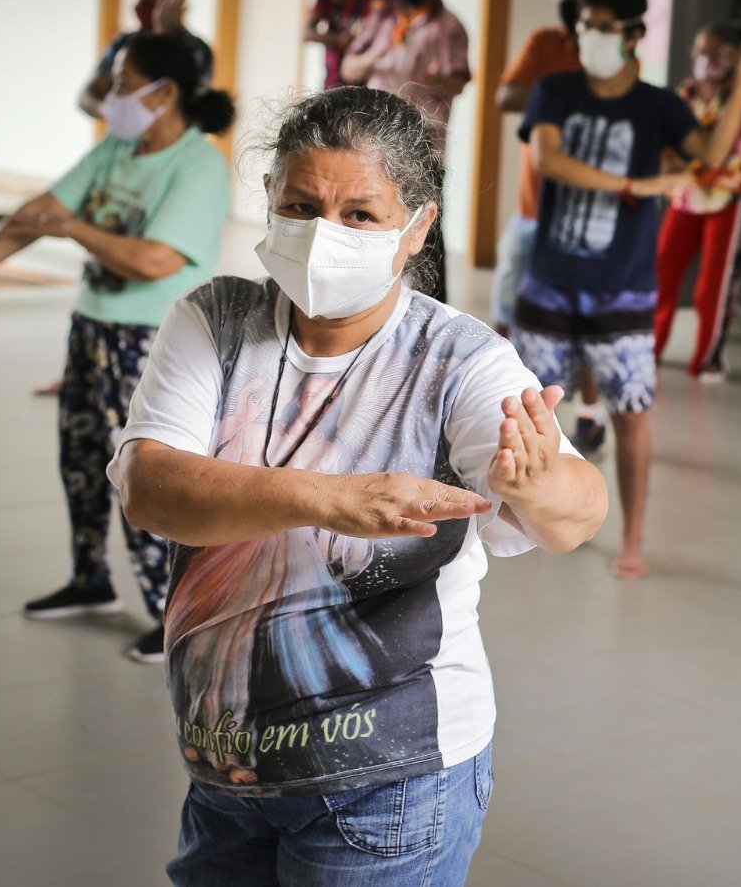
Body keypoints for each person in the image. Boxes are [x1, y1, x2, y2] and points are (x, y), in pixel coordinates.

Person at [104, 87, 607, 884]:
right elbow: (150, 487)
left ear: (416, 231)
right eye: (300, 206)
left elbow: (578, 512)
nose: (322, 235)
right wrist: (337, 498)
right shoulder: (215, 321)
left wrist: (540, 482)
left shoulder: (457, 360)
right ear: (269, 204)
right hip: (227, 769)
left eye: (360, 215)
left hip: (388, 787)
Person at [0, 34, 235, 663]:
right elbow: (38, 214)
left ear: (162, 94)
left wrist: (76, 227)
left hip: (152, 339)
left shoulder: (198, 165)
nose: (110, 96)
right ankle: (90, 579)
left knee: (147, 472)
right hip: (92, 328)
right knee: (81, 457)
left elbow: (153, 259)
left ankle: (173, 613)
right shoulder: (115, 150)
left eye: (122, 81)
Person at [511, 0, 741, 579]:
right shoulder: (555, 90)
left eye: (603, 28)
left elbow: (709, 150)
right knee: (529, 411)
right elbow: (547, 159)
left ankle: (630, 537)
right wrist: (639, 186)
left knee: (631, 416)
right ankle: (532, 516)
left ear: (634, 36)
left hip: (623, 289)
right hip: (549, 283)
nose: (590, 38)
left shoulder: (657, 105)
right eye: (585, 26)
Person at [494, 0, 614, 453]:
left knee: (582, 322)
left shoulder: (613, 55)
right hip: (532, 207)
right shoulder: (546, 43)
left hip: (587, 218)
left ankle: (588, 411)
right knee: (507, 308)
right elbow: (506, 97)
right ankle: (492, 393)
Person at [343, 0, 469, 305]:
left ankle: (431, 311)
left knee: (425, 236)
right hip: (369, 143)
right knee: (365, 223)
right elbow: (350, 69)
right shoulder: (381, 17)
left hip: (424, 146)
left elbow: (460, 82)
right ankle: (361, 300)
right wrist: (374, 55)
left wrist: (435, 80)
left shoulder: (449, 26)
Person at [653, 19, 741, 380]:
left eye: (715, 52)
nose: (706, 58)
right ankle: (650, 349)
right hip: (686, 194)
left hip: (729, 196)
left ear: (733, 56)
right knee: (663, 270)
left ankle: (707, 358)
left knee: (713, 285)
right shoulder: (684, 94)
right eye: (700, 51)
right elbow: (668, 141)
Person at [79, 0, 213, 119]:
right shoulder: (124, 44)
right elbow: (88, 97)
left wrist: (164, 36)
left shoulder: (196, 51)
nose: (142, 2)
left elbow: (188, 111)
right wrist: (110, 111)